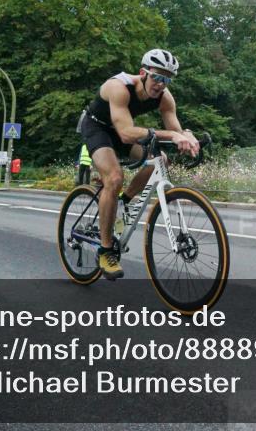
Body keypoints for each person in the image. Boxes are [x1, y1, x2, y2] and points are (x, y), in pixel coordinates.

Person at [80, 49, 200, 280]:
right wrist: (173, 136)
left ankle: (123, 202)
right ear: (143, 73)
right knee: (114, 178)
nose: (161, 84)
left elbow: (175, 129)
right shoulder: (119, 87)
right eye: (157, 77)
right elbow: (126, 133)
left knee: (160, 161)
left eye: (167, 80)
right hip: (97, 128)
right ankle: (105, 251)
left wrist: (187, 136)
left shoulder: (164, 97)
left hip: (121, 131)